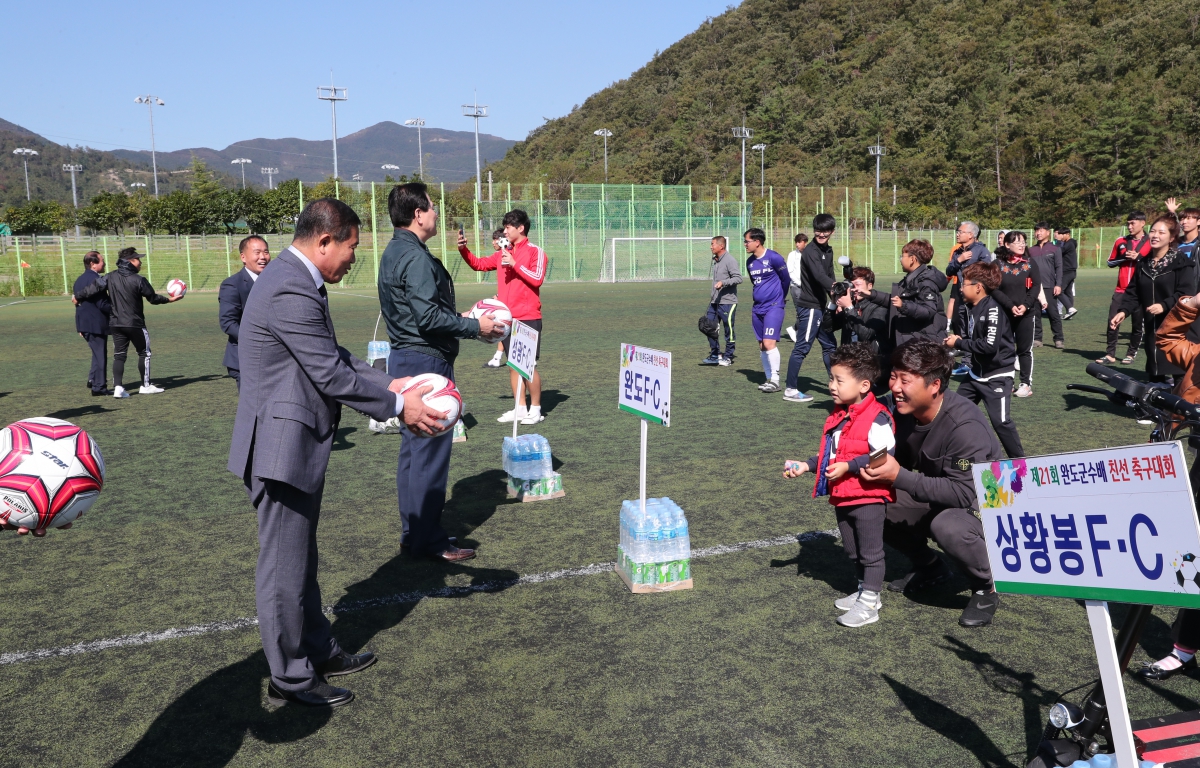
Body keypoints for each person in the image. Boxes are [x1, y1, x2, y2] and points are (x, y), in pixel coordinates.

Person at [227, 198, 444, 708]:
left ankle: (318, 648)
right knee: (284, 567)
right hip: (280, 449)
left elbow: (335, 357)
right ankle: (292, 677)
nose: (353, 258)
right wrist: (399, 405)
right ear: (324, 240)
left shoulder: (296, 279)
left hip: (292, 442)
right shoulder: (287, 286)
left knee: (300, 560)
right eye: (350, 247)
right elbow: (329, 373)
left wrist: (393, 380)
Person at [381, 182, 503, 562]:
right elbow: (428, 317)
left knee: (413, 453)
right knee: (430, 453)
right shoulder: (415, 256)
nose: (436, 214)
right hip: (424, 363)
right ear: (418, 214)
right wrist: (474, 327)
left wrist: (461, 318)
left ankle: (413, 532)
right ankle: (429, 540)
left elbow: (424, 313)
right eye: (432, 208)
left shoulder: (395, 250)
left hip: (406, 358)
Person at [860, 339, 1004, 628]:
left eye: (905, 380)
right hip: (937, 488)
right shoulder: (893, 408)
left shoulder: (965, 426)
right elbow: (875, 447)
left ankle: (986, 586)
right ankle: (930, 566)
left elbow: (963, 492)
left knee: (948, 526)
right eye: (893, 376)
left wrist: (898, 476)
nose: (895, 387)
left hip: (985, 502)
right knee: (869, 500)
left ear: (935, 385)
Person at [783, 342, 896, 627]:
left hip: (869, 495)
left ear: (864, 385)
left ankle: (870, 602)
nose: (831, 384)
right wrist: (808, 465)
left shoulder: (878, 416)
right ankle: (863, 591)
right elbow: (831, 453)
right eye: (831, 378)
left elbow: (885, 453)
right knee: (852, 549)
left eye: (838, 380)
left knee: (871, 553)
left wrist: (851, 466)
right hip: (843, 494)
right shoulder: (839, 413)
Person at [1140, 287, 1200, 679]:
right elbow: (1167, 339)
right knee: (1195, 553)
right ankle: (1184, 649)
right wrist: (1187, 306)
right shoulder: (1197, 357)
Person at [457, 209, 548, 424]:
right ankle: (520, 408)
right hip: (507, 319)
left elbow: (537, 279)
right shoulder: (502, 253)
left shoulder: (535, 251)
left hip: (527, 317)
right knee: (514, 364)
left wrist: (515, 264)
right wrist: (463, 249)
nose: (504, 231)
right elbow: (478, 264)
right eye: (504, 227)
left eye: (508, 227)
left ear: (520, 228)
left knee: (528, 366)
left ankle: (536, 410)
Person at [74, 246, 181, 398]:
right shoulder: (139, 280)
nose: (140, 262)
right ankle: (145, 385)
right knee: (144, 352)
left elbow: (92, 288)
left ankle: (118, 388)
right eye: (138, 259)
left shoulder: (110, 276)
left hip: (116, 324)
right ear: (130, 261)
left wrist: (78, 296)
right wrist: (169, 300)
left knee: (119, 355)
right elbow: (153, 298)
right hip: (134, 323)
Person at [945, 262, 1024, 458]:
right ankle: (955, 458)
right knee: (952, 414)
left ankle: (1022, 465)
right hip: (975, 375)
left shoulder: (993, 309)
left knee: (1001, 423)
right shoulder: (970, 306)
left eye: (964, 284)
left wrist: (960, 343)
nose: (961, 287)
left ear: (978, 287)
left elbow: (989, 347)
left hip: (997, 376)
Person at [1110, 215, 1196, 385]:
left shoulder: (1182, 262)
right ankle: (1155, 409)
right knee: (1155, 367)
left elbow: (1187, 293)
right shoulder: (1143, 263)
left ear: (1171, 238)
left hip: (1178, 328)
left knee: (1179, 372)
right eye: (1153, 231)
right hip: (1153, 325)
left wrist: (1164, 305)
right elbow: (1133, 292)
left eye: (1161, 232)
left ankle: (1180, 409)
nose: (1155, 235)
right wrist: (1123, 311)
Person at [862, 239, 948, 370]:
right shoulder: (911, 278)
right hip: (913, 340)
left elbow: (928, 311)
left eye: (902, 256)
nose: (900, 259)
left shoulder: (926, 282)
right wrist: (870, 294)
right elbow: (894, 300)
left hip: (923, 343)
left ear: (912, 259)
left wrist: (904, 306)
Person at [783, 214, 838, 403]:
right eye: (818, 230)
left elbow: (830, 274)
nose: (821, 234)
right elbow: (819, 276)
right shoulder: (810, 251)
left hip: (821, 307)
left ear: (832, 231)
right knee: (801, 348)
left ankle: (837, 385)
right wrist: (836, 287)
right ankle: (790, 389)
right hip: (810, 307)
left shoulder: (828, 250)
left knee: (830, 346)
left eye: (826, 231)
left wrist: (836, 300)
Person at [218, 235, 272, 390]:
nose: (263, 257)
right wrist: (261, 338)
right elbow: (228, 323)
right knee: (253, 411)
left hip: (273, 360)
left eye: (266, 252)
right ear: (243, 256)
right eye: (257, 252)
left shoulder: (274, 281)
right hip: (247, 360)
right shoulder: (232, 285)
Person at [991, 231, 1040, 398]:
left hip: (1026, 313)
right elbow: (993, 288)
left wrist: (1025, 306)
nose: (1022, 244)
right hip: (1004, 313)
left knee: (1024, 350)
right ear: (1006, 244)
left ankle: (1026, 383)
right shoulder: (997, 264)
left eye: (1023, 241)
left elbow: (1035, 287)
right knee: (1005, 349)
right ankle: (1006, 382)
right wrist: (1010, 305)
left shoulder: (1030, 263)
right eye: (1017, 241)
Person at [742, 227, 791, 393]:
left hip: (774, 307)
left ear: (757, 241)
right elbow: (755, 283)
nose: (745, 244)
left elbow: (785, 280)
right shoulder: (750, 262)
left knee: (770, 343)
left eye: (747, 241)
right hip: (757, 308)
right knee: (762, 345)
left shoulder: (774, 258)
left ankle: (776, 380)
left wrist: (780, 299)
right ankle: (769, 378)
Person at [1099, 212, 1151, 365]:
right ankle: (1110, 354)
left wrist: (1139, 257)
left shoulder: (1151, 241)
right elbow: (1110, 262)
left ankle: (1131, 353)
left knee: (1137, 324)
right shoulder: (1120, 241)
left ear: (1142, 223)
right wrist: (1125, 258)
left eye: (1132, 223)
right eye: (1128, 223)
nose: (1129, 226)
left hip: (1140, 292)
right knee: (1112, 321)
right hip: (1121, 290)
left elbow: (1155, 263)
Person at [944, 221, 992, 376]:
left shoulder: (981, 251)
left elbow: (986, 273)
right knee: (963, 328)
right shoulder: (958, 252)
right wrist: (959, 260)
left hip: (978, 299)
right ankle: (966, 363)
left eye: (960, 231)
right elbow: (949, 270)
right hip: (961, 296)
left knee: (977, 330)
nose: (957, 234)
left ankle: (979, 362)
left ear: (971, 235)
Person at [74, 251, 111, 396]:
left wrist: (79, 325)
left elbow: (77, 305)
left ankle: (93, 380)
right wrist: (118, 310)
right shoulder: (95, 281)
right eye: (102, 260)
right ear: (92, 264)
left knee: (97, 354)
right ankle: (99, 387)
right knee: (100, 355)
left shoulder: (79, 280)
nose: (104, 263)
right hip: (96, 323)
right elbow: (102, 304)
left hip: (85, 323)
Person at [700, 235, 740, 366]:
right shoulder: (716, 260)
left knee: (729, 330)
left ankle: (728, 356)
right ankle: (715, 354)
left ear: (721, 246)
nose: (711, 247)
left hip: (728, 302)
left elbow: (738, 278)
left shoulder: (730, 260)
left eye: (712, 244)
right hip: (714, 302)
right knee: (709, 327)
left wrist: (723, 282)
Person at [834, 266, 888, 359]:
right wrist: (832, 301)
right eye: (850, 284)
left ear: (870, 286)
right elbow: (827, 328)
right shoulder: (850, 303)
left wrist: (849, 308)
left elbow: (866, 334)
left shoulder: (879, 306)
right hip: (847, 358)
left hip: (870, 360)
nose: (853, 288)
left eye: (857, 284)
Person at [1027, 222, 1065, 350]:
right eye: (1036, 230)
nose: (1038, 233)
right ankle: (1037, 338)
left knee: (1053, 314)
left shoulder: (1055, 249)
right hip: (1034, 287)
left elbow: (1059, 268)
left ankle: (1059, 339)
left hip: (1049, 286)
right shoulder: (1031, 250)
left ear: (1048, 232)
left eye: (1041, 230)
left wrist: (1058, 284)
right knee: (1035, 314)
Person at [482, 228, 507, 368]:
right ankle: (497, 358)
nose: (493, 242)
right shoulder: (498, 256)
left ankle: (497, 358)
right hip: (504, 297)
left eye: (495, 239)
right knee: (505, 325)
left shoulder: (508, 255)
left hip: (513, 300)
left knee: (504, 325)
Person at [784, 232, 809, 342]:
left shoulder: (809, 254)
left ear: (805, 243)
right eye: (796, 242)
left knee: (807, 310)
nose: (797, 244)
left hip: (808, 288)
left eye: (799, 242)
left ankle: (797, 331)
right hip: (796, 287)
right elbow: (789, 272)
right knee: (801, 311)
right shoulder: (792, 255)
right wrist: (799, 283)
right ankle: (796, 331)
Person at [1054, 226, 1079, 320]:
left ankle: (1070, 308)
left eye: (1061, 234)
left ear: (1067, 234)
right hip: (1071, 271)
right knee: (1068, 292)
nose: (1059, 236)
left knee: (1058, 291)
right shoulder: (1069, 243)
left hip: (1067, 271)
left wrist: (1058, 241)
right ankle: (1070, 312)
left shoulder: (1069, 243)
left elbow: (1058, 251)